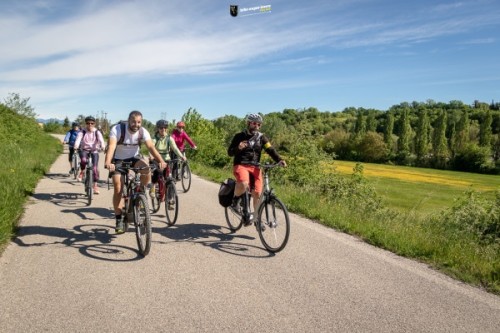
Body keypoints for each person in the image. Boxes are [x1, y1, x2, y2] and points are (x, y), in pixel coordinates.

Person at [105, 110, 167, 234]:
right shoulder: (117, 129)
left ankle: (141, 193)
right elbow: (111, 146)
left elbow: (151, 147)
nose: (136, 124)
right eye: (133, 121)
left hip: (134, 158)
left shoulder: (143, 131)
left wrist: (161, 160)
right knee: (118, 187)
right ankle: (119, 219)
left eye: (139, 122)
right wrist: (108, 162)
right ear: (129, 121)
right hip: (118, 159)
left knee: (147, 170)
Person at [227, 113, 286, 226]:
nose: (257, 126)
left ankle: (256, 219)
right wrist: (238, 148)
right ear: (248, 123)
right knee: (244, 183)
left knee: (258, 193)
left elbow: (270, 150)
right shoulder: (239, 136)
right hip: (241, 165)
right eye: (254, 123)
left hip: (255, 167)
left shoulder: (262, 138)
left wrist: (279, 160)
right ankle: (235, 201)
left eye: (259, 124)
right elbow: (230, 152)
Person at [150, 120, 186, 209]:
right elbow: (151, 148)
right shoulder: (155, 138)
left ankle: (170, 200)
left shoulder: (169, 138)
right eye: (161, 128)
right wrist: (151, 156)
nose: (163, 129)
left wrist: (182, 156)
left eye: (165, 128)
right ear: (158, 128)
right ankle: (153, 186)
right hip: (156, 159)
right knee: (157, 172)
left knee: (170, 180)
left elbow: (175, 148)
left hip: (167, 160)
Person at [73, 116, 106, 194]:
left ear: (94, 124)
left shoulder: (97, 132)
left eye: (92, 123)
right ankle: (82, 171)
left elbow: (101, 140)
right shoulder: (82, 132)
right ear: (86, 124)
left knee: (94, 169)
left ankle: (95, 185)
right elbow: (78, 140)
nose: (90, 125)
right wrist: (76, 146)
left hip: (94, 151)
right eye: (88, 123)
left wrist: (103, 147)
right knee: (83, 160)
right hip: (84, 150)